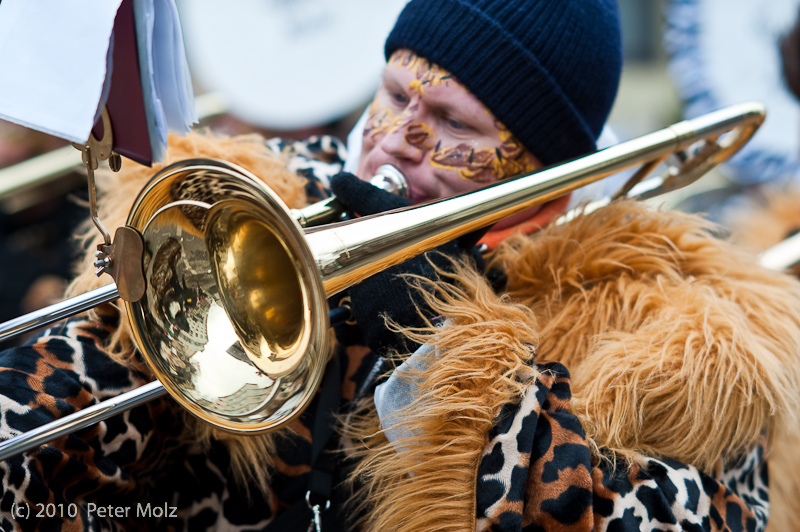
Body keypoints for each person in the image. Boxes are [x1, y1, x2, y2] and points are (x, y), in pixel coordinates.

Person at [1, 1, 800, 532]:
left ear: (542, 167)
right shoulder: (244, 202)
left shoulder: (675, 327)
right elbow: (80, 392)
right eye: (393, 94)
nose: (398, 137)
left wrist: (443, 354)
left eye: (453, 120)